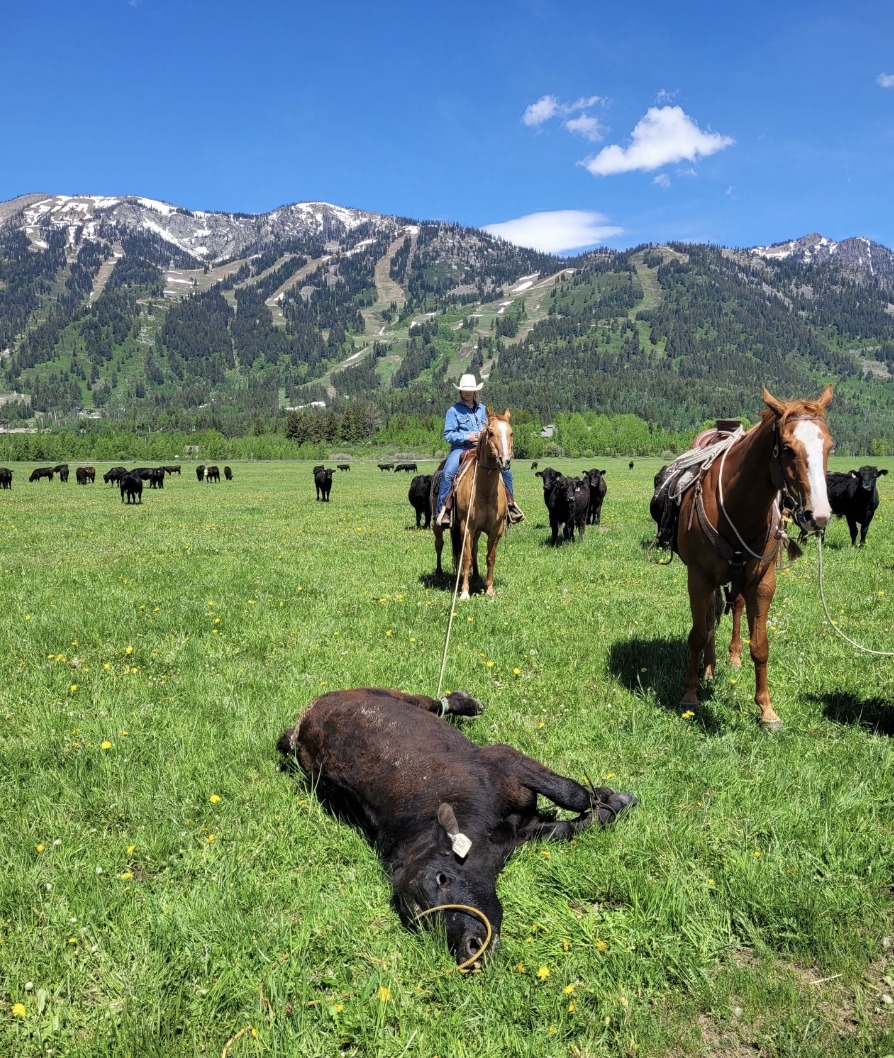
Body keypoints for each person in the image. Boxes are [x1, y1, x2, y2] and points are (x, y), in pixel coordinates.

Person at [435, 373, 524, 527]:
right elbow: (449, 434)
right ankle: (444, 511)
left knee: (507, 472)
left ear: (475, 391)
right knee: (448, 472)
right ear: (460, 391)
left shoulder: (483, 409)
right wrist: (467, 436)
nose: (468, 392)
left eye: (471, 389)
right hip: (461, 449)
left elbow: (493, 429)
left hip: (483, 450)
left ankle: (510, 505)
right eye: (465, 389)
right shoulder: (453, 411)